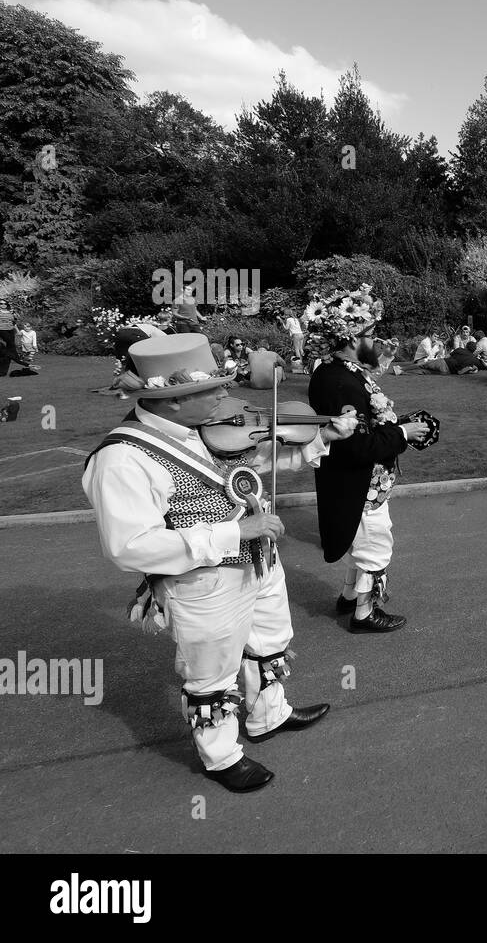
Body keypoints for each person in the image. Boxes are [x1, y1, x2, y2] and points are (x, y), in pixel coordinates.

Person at [81, 333, 357, 792]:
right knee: (212, 669)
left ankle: (270, 714)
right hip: (202, 580)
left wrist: (323, 434)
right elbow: (128, 546)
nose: (227, 396)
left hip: (259, 559)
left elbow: (252, 457)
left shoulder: (204, 427)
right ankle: (221, 755)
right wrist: (236, 531)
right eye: (213, 390)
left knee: (270, 638)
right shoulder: (122, 458)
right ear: (170, 402)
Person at [308, 308, 432, 633]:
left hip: (362, 484)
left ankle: (350, 596)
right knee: (374, 543)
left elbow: (363, 395)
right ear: (349, 338)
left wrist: (385, 361)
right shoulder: (340, 383)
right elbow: (357, 446)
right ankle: (365, 613)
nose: (375, 339)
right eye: (369, 334)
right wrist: (403, 433)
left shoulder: (333, 371)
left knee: (360, 541)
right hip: (361, 486)